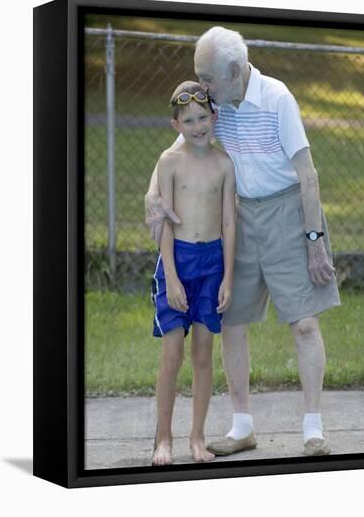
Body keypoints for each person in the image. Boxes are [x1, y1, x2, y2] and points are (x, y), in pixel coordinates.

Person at [146, 26, 341, 458]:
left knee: (305, 322)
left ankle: (313, 429)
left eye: (208, 78)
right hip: (238, 219)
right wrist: (150, 194)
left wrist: (314, 240)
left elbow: (308, 175)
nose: (202, 86)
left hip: (289, 213)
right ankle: (242, 427)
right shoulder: (216, 101)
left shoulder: (277, 99)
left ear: (234, 71)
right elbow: (176, 146)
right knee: (231, 322)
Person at [151, 81, 236, 465]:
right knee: (173, 354)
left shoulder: (223, 165)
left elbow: (230, 225)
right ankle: (162, 439)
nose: (198, 126)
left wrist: (228, 277)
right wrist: (170, 275)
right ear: (176, 125)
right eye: (189, 120)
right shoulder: (170, 163)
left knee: (204, 354)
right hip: (177, 261)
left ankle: (197, 438)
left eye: (203, 117)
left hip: (212, 264)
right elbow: (165, 222)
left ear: (214, 117)